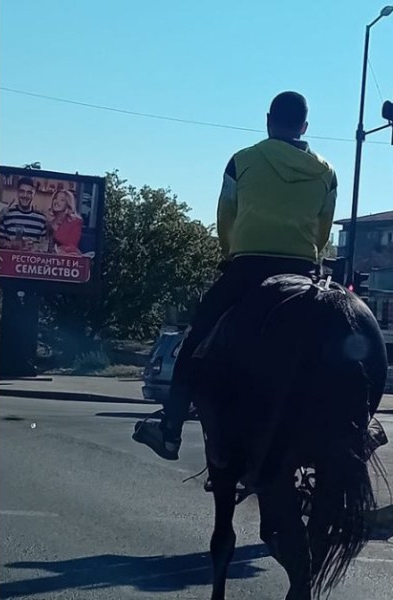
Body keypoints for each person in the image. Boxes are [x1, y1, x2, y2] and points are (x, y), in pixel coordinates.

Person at [133, 90, 338, 460]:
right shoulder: (327, 171)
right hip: (303, 270)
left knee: (196, 339)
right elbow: (323, 230)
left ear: (267, 121)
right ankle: (361, 427)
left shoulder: (242, 161)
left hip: (248, 267)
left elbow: (226, 215)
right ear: (305, 127)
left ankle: (171, 429)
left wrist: (229, 251)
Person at [0, 176, 47, 251]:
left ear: (34, 194)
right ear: (17, 192)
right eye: (22, 191)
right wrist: (13, 245)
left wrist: (34, 247)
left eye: (29, 193)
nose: (25, 196)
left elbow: (44, 247)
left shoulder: (41, 219)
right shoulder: (7, 215)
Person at [45, 189, 83, 255]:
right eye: (55, 198)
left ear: (68, 204)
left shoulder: (75, 222)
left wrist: (58, 250)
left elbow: (72, 246)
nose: (56, 202)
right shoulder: (48, 221)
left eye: (62, 200)